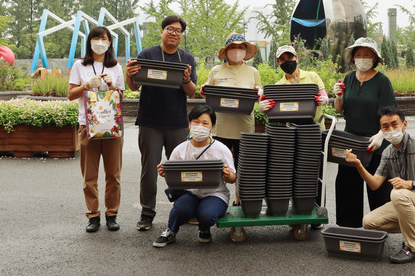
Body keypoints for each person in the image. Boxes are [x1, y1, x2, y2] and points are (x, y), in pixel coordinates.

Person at [345, 106, 415, 264]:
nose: (391, 130)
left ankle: (414, 248)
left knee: (398, 193)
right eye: (385, 127)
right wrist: (358, 165)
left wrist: (409, 184)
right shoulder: (387, 152)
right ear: (381, 130)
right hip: (410, 203)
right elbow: (375, 184)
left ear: (405, 124)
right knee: (369, 222)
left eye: (394, 124)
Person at [125, 15, 197, 231]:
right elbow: (133, 86)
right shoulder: (148, 54)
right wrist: (129, 74)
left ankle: (185, 210)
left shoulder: (187, 58)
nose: (174, 33)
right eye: (170, 29)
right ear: (162, 31)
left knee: (180, 170)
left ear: (181, 35)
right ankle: (147, 213)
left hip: (178, 123)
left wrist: (186, 80)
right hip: (150, 123)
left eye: (178, 31)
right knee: (149, 171)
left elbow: (192, 92)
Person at [333, 37, 396, 227]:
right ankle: (349, 226)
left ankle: (380, 227)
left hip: (375, 143)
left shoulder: (382, 81)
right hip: (351, 142)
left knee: (378, 189)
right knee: (347, 185)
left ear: (375, 58)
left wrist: (381, 135)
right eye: (358, 54)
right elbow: (339, 110)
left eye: (367, 54)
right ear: (353, 58)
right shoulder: (349, 78)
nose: (362, 58)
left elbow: (390, 114)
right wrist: (338, 96)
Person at [153, 105, 236, 247]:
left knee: (207, 214)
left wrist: (227, 175)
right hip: (189, 193)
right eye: (196, 122)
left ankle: (204, 228)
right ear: (189, 124)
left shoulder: (221, 149)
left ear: (212, 127)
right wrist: (165, 174)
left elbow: (233, 178)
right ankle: (171, 231)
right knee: (180, 210)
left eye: (205, 123)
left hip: (215, 194)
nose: (200, 127)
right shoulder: (180, 150)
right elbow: (173, 181)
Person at [68, 26, 125, 233]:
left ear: (110, 43)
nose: (100, 42)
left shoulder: (116, 67)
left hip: (112, 126)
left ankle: (112, 214)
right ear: (89, 42)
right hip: (88, 125)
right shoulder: (80, 65)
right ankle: (93, 215)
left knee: (113, 175)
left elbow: (121, 97)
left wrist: (112, 86)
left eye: (104, 39)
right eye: (96, 38)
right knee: (89, 176)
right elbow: (70, 94)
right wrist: (86, 85)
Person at [203, 33, 262, 167]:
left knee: (243, 168)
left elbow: (259, 91)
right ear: (226, 50)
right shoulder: (215, 71)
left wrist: (259, 93)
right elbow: (208, 94)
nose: (237, 50)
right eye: (233, 47)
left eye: (241, 47)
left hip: (244, 128)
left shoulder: (253, 71)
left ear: (245, 50)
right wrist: (204, 90)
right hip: (221, 128)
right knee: (219, 168)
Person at [258, 45, 328, 128]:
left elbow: (325, 98)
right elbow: (275, 110)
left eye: (289, 57)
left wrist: (323, 100)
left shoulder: (313, 76)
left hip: (316, 128)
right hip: (292, 130)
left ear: (296, 58)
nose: (287, 61)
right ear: (278, 62)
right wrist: (264, 109)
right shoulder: (278, 86)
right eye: (282, 59)